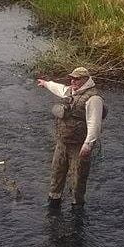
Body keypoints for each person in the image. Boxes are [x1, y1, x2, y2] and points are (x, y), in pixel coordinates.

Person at [37, 66, 106, 209]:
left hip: (79, 145)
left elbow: (94, 124)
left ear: (86, 80)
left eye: (77, 78)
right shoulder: (71, 91)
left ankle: (77, 206)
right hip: (63, 142)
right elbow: (59, 89)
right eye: (72, 78)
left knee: (78, 178)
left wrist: (88, 145)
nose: (73, 80)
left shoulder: (94, 99)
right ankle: (54, 199)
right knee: (57, 171)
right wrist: (46, 84)